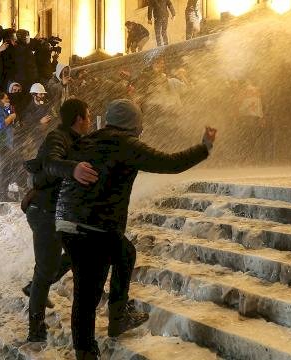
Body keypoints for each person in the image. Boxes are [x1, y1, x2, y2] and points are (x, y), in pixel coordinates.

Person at [55, 99, 215, 359]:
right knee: (87, 294)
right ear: (133, 123)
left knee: (124, 253)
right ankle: (88, 350)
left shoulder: (89, 139)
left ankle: (118, 316)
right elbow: (169, 163)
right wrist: (204, 148)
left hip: (68, 221)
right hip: (92, 227)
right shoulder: (126, 143)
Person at [22, 98, 98, 343]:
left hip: (60, 212)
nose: (90, 118)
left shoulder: (78, 140)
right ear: (79, 118)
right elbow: (51, 163)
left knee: (81, 252)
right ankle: (36, 329)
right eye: (88, 113)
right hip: (44, 213)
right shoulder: (58, 138)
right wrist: (73, 168)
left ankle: (35, 285)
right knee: (46, 269)